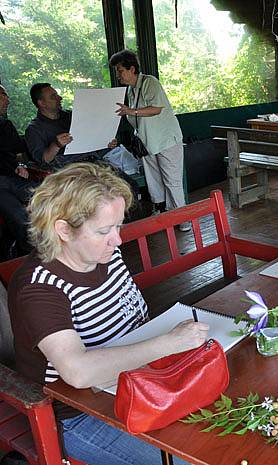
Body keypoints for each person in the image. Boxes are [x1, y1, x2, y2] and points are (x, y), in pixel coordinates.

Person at [8, 163, 206, 465]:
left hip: (135, 384)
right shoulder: (39, 287)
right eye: (104, 231)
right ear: (63, 230)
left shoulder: (104, 255)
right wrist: (169, 344)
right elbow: (78, 372)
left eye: (118, 226)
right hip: (80, 415)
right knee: (193, 459)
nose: (118, 240)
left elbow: (132, 319)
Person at [109, 49, 190, 232]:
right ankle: (161, 211)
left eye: (120, 71)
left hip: (166, 141)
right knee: (154, 181)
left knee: (172, 181)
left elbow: (156, 109)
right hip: (147, 144)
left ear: (132, 69)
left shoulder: (149, 82)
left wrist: (131, 111)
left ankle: (183, 218)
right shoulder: (131, 90)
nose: (118, 75)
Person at [24, 83, 118, 167]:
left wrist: (105, 143)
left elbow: (91, 139)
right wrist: (56, 145)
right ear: (42, 103)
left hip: (95, 161)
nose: (60, 98)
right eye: (53, 97)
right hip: (68, 170)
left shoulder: (72, 116)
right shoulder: (34, 129)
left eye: (57, 95)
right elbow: (43, 161)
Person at [0, 84, 38, 259]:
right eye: (3, 95)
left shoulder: (6, 125)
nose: (7, 99)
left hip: (14, 178)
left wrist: (21, 165)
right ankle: (30, 256)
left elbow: (19, 153)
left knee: (49, 198)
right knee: (20, 217)